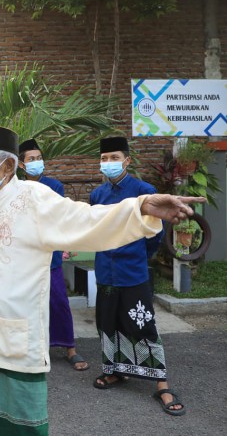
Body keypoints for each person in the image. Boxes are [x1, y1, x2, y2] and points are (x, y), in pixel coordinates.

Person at [0, 125, 202, 435]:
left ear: (7, 166)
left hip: (19, 337)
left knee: (19, 421)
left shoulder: (34, 199)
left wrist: (139, 208)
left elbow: (86, 219)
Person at [90, 137, 185, 416]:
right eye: (104, 158)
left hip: (133, 271)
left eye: (114, 157)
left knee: (143, 324)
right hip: (105, 271)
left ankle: (162, 385)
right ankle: (116, 371)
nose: (108, 163)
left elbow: (154, 234)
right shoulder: (97, 194)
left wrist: (138, 256)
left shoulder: (144, 191)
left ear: (127, 160)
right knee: (107, 323)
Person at [18, 138, 89, 371]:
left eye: (39, 158)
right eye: (31, 159)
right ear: (21, 165)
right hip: (26, 255)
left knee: (59, 300)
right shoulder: (15, 188)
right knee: (28, 304)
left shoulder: (55, 186)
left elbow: (59, 216)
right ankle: (34, 349)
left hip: (50, 253)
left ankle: (70, 348)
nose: (36, 162)